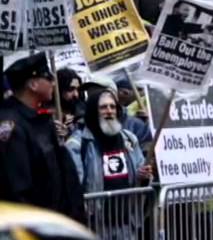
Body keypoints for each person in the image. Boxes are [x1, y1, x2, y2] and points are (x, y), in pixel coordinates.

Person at [0, 53, 85, 223]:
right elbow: (18, 188)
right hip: (34, 226)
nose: (53, 83)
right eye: (48, 78)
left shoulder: (42, 121)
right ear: (33, 85)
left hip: (56, 221)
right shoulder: (12, 125)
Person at [66, 89, 152, 193]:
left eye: (112, 107)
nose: (109, 111)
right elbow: (74, 185)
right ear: (93, 111)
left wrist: (143, 176)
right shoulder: (77, 144)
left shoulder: (129, 138)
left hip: (128, 202)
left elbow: (140, 173)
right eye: (103, 107)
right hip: (95, 203)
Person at [56, 68, 83, 139]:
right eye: (71, 89)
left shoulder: (82, 112)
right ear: (59, 90)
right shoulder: (46, 115)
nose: (76, 94)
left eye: (77, 89)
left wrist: (69, 133)